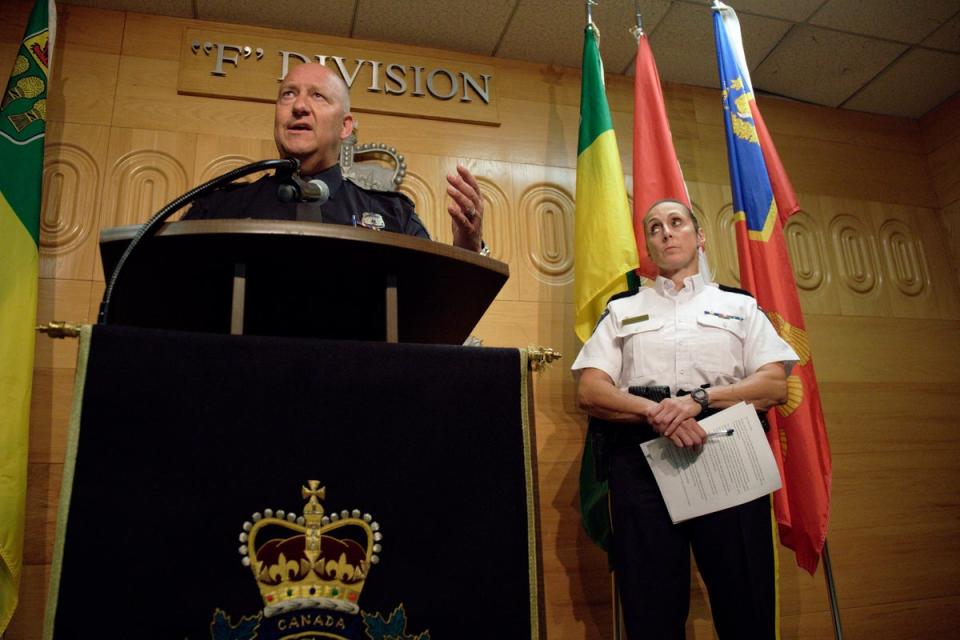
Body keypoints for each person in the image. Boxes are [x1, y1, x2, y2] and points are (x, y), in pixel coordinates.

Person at [571, 199, 798, 639]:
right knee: (650, 609)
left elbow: (773, 386)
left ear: (699, 236)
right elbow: (592, 391)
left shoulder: (739, 305)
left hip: (727, 450)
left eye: (676, 223)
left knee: (746, 603)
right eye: (655, 228)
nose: (666, 233)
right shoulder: (622, 309)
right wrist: (662, 413)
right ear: (649, 248)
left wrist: (699, 398)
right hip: (642, 461)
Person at [183, 63, 485, 253]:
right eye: (288, 94)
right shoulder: (218, 207)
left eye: (317, 96)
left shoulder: (395, 214)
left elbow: (434, 301)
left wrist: (467, 249)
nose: (299, 106)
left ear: (345, 126)